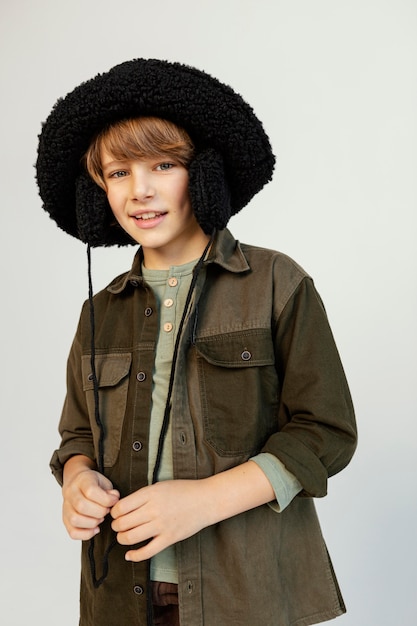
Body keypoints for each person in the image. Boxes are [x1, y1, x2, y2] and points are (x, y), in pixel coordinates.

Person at [36, 58, 357, 626]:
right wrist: (78, 478)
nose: (141, 190)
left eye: (164, 164)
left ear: (204, 175)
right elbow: (77, 433)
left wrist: (204, 501)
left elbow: (326, 431)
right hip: (120, 597)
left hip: (247, 596)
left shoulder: (278, 284)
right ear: (98, 195)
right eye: (117, 173)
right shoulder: (98, 312)